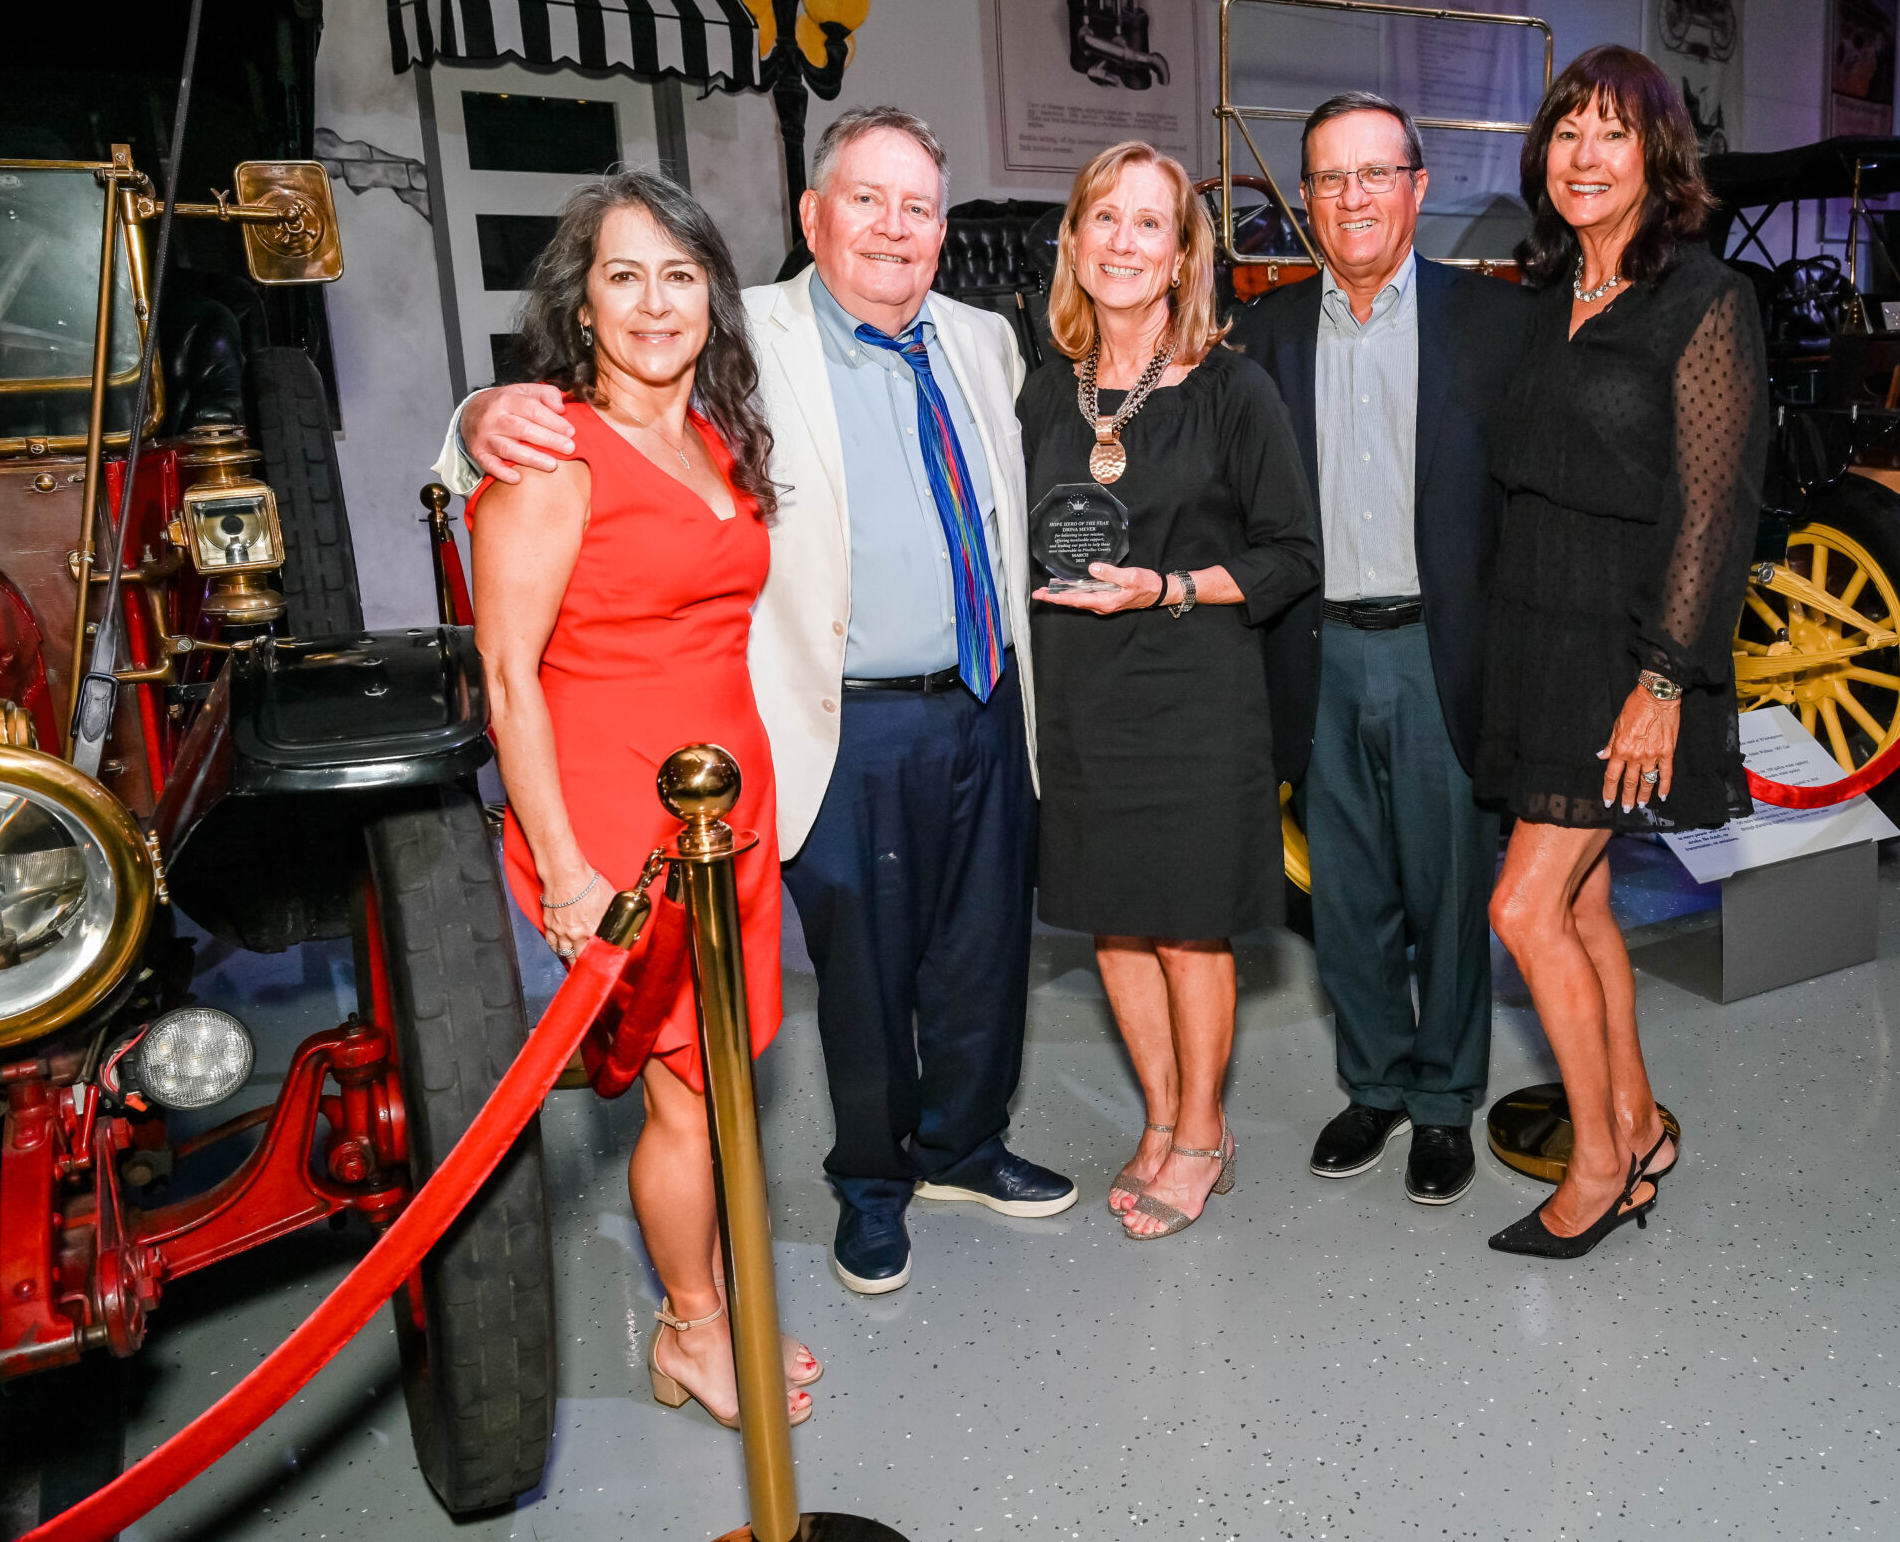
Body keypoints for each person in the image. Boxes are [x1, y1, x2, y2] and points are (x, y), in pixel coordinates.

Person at [435, 108, 1076, 1300]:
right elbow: (565, 423)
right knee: (864, 974)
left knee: (984, 951)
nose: (892, 228)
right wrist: (476, 419)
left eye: (918, 207)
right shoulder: (746, 334)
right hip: (840, 717)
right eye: (866, 200)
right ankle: (872, 1187)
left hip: (985, 698)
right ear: (812, 216)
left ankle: (965, 1147)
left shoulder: (987, 339)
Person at [468, 171, 820, 1425]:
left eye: (680, 275)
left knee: (723, 1082)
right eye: (624, 276)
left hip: (729, 809)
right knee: (686, 1094)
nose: (655, 303)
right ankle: (691, 1330)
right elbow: (506, 680)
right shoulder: (549, 455)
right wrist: (566, 873)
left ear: (713, 298)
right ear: (583, 303)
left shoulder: (716, 435)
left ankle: (718, 1301)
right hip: (621, 821)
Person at [1476, 46, 1767, 1260]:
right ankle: (1637, 1125)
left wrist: (1661, 682)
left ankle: (1598, 1169)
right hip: (1535, 631)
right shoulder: (1544, 293)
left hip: (1624, 647)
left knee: (1522, 906)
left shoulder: (1704, 299)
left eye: (1612, 134)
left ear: (1658, 156)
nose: (1584, 156)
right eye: (1566, 132)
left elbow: (1714, 512)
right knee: (1583, 901)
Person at [1232, 93, 1531, 1207]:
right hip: (1315, 652)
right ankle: (1373, 1085)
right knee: (1346, 896)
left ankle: (1445, 1101)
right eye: (1328, 177)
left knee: (1449, 893)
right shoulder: (1262, 336)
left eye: (1374, 174)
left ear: (1417, 187)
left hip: (1438, 652)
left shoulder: (1494, 324)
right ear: (1305, 199)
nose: (1351, 197)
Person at [1024, 141, 1320, 1240]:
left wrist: (1169, 586)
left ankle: (1203, 1133)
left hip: (1196, 694)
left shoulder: (1233, 389)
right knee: (1114, 926)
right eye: (1104, 217)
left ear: (1184, 254)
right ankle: (1159, 1117)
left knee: (1191, 930)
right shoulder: (1041, 391)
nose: (1124, 241)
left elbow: (1291, 554)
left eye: (1150, 222)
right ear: (1073, 241)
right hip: (1081, 697)